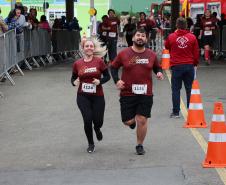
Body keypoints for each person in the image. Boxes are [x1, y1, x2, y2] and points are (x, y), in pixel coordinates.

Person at [110, 28, 164, 155]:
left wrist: (159, 72)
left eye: (143, 36)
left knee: (142, 119)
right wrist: (117, 80)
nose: (140, 37)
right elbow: (113, 67)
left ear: (146, 39)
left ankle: (139, 145)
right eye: (138, 35)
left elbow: (157, 67)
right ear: (133, 38)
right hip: (127, 92)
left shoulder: (151, 54)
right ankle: (131, 122)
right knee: (127, 121)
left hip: (146, 93)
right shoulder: (124, 54)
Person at [71, 37, 110, 153]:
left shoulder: (99, 62)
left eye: (91, 46)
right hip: (83, 96)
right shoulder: (77, 63)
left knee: (98, 121)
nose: (89, 48)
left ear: (93, 48)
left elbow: (107, 76)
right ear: (83, 48)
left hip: (98, 95)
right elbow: (73, 78)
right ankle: (91, 143)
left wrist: (100, 81)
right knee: (87, 119)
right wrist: (74, 82)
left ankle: (97, 129)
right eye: (86, 46)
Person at [165, 17, 199, 118]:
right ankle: (191, 110)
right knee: (189, 89)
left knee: (176, 90)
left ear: (176, 25)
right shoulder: (192, 37)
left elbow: (166, 46)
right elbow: (196, 53)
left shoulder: (171, 36)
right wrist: (195, 63)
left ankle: (176, 112)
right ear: (186, 26)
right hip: (189, 66)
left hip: (176, 66)